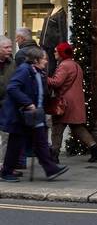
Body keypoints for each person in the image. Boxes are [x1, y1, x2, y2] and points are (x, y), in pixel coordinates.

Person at [0, 47, 68, 182]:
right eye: (44, 58)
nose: (46, 61)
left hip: (35, 114)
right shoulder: (24, 70)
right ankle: (6, 172)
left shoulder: (37, 71)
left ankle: (51, 169)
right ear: (35, 60)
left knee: (40, 141)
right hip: (21, 115)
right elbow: (12, 88)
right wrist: (28, 103)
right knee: (16, 144)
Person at [48, 43, 97, 163]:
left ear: (62, 53)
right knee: (78, 127)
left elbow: (57, 82)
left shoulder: (64, 66)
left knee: (57, 128)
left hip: (65, 103)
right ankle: (94, 148)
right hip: (76, 102)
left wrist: (44, 78)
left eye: (56, 51)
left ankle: (54, 155)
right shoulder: (76, 65)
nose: (54, 52)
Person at [0, 37, 14, 165]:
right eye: (6, 47)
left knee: (6, 136)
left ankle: (3, 165)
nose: (10, 50)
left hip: (6, 106)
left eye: (10, 47)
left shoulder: (12, 63)